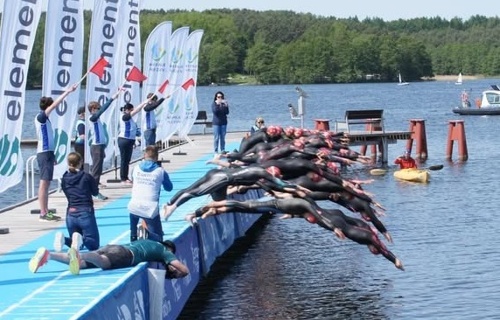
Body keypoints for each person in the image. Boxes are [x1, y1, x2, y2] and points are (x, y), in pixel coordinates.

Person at [29, 239, 189, 277]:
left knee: (83, 265)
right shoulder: (164, 251)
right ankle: (77, 254)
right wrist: (174, 274)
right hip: (126, 256)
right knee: (104, 263)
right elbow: (184, 270)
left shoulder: (147, 242)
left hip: (117, 247)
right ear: (169, 248)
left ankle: (49, 254)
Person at [35, 83, 78, 222]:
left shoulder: (45, 120)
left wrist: (53, 156)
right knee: (44, 182)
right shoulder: (41, 117)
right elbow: (53, 107)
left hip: (48, 153)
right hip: (43, 153)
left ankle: (45, 210)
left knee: (46, 183)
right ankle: (43, 212)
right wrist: (67, 92)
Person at [55, 152, 100, 252]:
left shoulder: (64, 178)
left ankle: (64, 239)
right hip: (85, 212)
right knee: (93, 244)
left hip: (70, 213)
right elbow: (95, 192)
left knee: (75, 243)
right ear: (81, 162)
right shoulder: (86, 177)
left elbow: (67, 193)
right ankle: (79, 240)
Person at [128, 146, 173, 242]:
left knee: (133, 228)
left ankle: (133, 236)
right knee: (158, 238)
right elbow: (169, 188)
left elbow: (133, 180)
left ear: (144, 156)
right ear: (157, 158)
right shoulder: (161, 171)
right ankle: (150, 237)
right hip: (150, 208)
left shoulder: (135, 168)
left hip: (134, 206)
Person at [88, 89, 121, 193]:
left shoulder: (97, 119)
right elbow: (103, 110)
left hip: (100, 146)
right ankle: (94, 190)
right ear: (92, 109)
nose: (98, 110)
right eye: (97, 108)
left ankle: (94, 187)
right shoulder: (92, 118)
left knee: (99, 169)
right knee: (96, 169)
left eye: (98, 108)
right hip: (96, 146)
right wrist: (112, 98)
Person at [118, 99, 149, 184]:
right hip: (124, 140)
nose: (132, 112)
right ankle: (123, 178)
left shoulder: (130, 118)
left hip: (130, 140)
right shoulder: (124, 116)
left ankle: (126, 177)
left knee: (127, 160)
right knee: (124, 160)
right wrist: (143, 103)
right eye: (131, 110)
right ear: (128, 110)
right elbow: (137, 110)